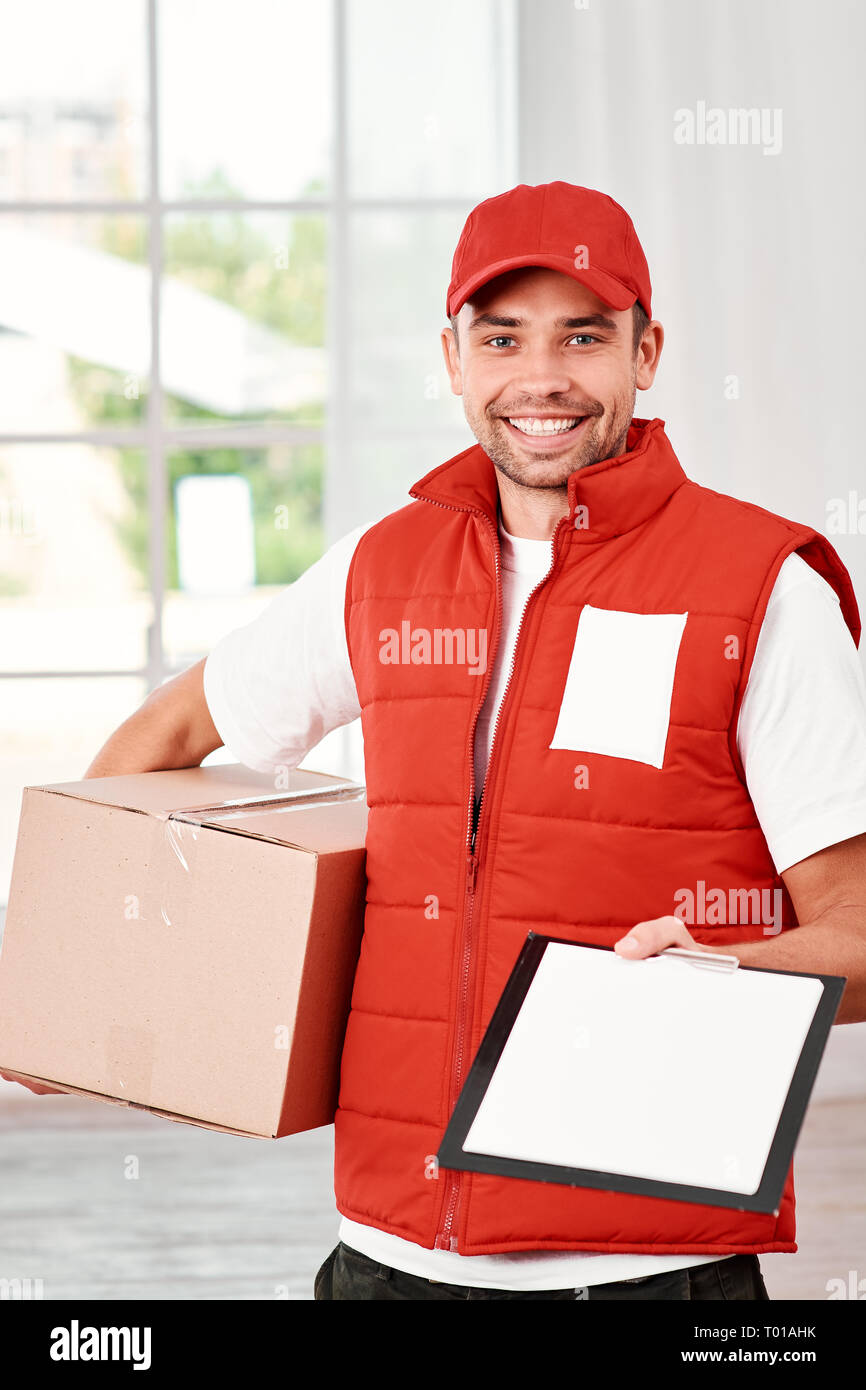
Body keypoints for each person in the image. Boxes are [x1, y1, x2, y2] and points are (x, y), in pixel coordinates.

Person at [79, 181, 866, 1301]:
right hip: (387, 1256)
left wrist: (722, 978)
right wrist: (101, 996)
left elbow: (859, 934)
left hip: (649, 1269)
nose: (539, 377)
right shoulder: (378, 571)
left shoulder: (760, 589)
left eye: (581, 336)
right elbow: (163, 736)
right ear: (452, 359)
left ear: (646, 353)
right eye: (500, 337)